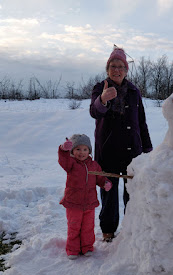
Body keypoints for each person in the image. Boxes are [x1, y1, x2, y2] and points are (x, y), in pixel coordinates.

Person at [90, 47, 153, 242]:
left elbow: (141, 120)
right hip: (107, 150)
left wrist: (147, 148)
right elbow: (94, 111)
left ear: (126, 70)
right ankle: (108, 230)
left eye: (120, 67)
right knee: (108, 193)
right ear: (107, 69)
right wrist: (103, 100)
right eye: (113, 66)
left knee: (131, 193)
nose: (116, 70)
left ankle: (131, 228)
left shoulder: (134, 91)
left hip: (131, 151)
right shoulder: (100, 87)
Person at [58, 134, 112, 260]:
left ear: (89, 151)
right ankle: (73, 249)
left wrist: (105, 183)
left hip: (89, 203)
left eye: (85, 149)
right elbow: (63, 160)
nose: (81, 153)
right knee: (74, 226)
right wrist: (63, 149)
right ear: (72, 151)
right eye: (78, 149)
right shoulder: (71, 164)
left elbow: (100, 177)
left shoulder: (94, 165)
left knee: (88, 227)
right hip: (73, 203)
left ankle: (87, 247)